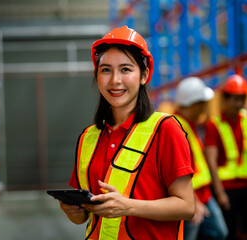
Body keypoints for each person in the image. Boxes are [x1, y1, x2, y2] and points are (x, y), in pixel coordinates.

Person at [59, 25, 195, 240]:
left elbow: (187, 207)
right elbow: (85, 218)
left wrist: (129, 207)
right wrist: (74, 212)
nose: (115, 80)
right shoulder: (88, 137)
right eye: (106, 70)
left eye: (125, 69)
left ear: (144, 75)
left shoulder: (165, 129)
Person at [175, 77, 228, 240]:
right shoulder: (175, 127)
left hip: (203, 193)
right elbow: (178, 169)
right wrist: (192, 200)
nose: (205, 107)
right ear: (193, 104)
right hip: (191, 196)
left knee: (219, 233)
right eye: (203, 103)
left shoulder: (189, 124)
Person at [205, 74, 247, 240]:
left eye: (242, 99)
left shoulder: (246, 119)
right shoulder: (214, 124)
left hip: (246, 185)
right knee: (229, 232)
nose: (239, 104)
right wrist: (219, 192)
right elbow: (211, 160)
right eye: (235, 99)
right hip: (227, 188)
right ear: (225, 99)